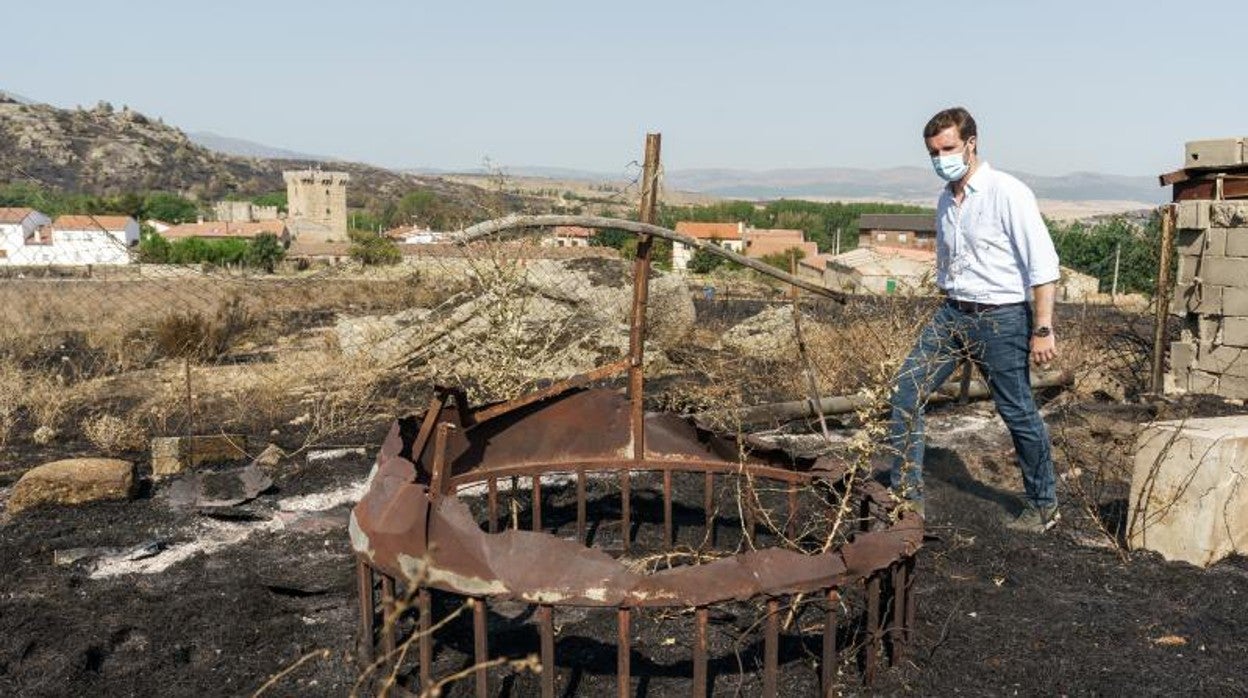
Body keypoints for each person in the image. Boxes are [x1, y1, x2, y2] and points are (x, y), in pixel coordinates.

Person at [887, 106, 1061, 533]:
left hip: (1001, 318)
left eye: (947, 148)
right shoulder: (947, 199)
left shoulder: (1008, 192)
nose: (940, 158)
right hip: (952, 314)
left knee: (1016, 410)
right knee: (906, 392)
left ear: (971, 143)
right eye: (933, 152)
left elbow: (1043, 267)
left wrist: (1042, 329)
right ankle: (906, 501)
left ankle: (1043, 504)